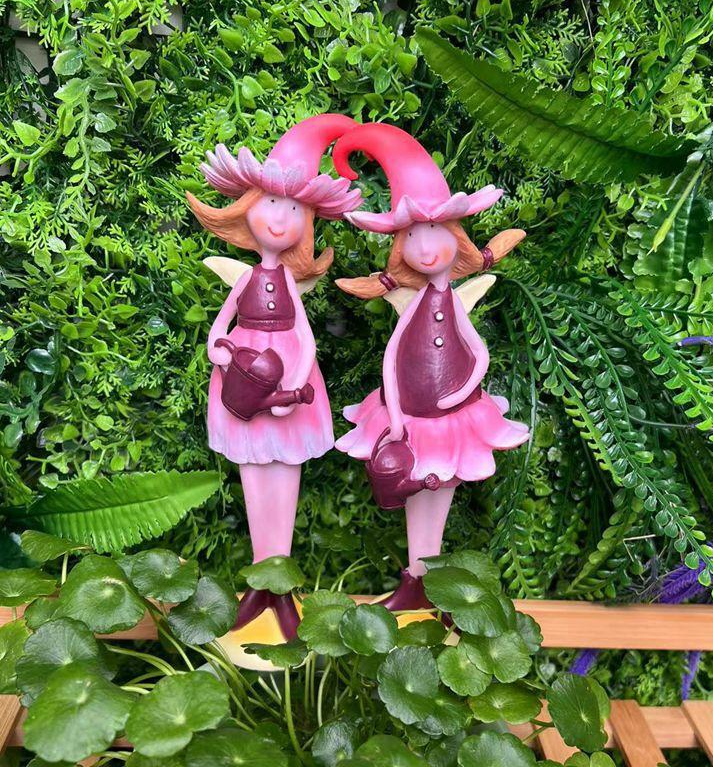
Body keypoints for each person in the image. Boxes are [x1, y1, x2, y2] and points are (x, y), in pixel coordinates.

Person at [333, 122, 529, 610]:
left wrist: (464, 389)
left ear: (456, 237)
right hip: (411, 415)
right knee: (414, 486)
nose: (424, 248)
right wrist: (396, 413)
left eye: (435, 233)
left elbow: (478, 351)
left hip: (453, 416)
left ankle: (428, 580)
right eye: (412, 237)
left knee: (438, 487)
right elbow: (393, 354)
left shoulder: (451, 301)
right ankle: (414, 578)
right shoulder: (415, 304)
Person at [186, 114, 361, 654]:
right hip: (241, 376)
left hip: (287, 380)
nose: (281, 221)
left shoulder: (288, 279)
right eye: (271, 205)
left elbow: (305, 337)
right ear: (245, 209)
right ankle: (260, 581)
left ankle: (280, 585)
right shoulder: (244, 278)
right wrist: (218, 350)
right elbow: (220, 328)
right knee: (252, 475)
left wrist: (298, 379)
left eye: (295, 211)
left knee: (286, 476)